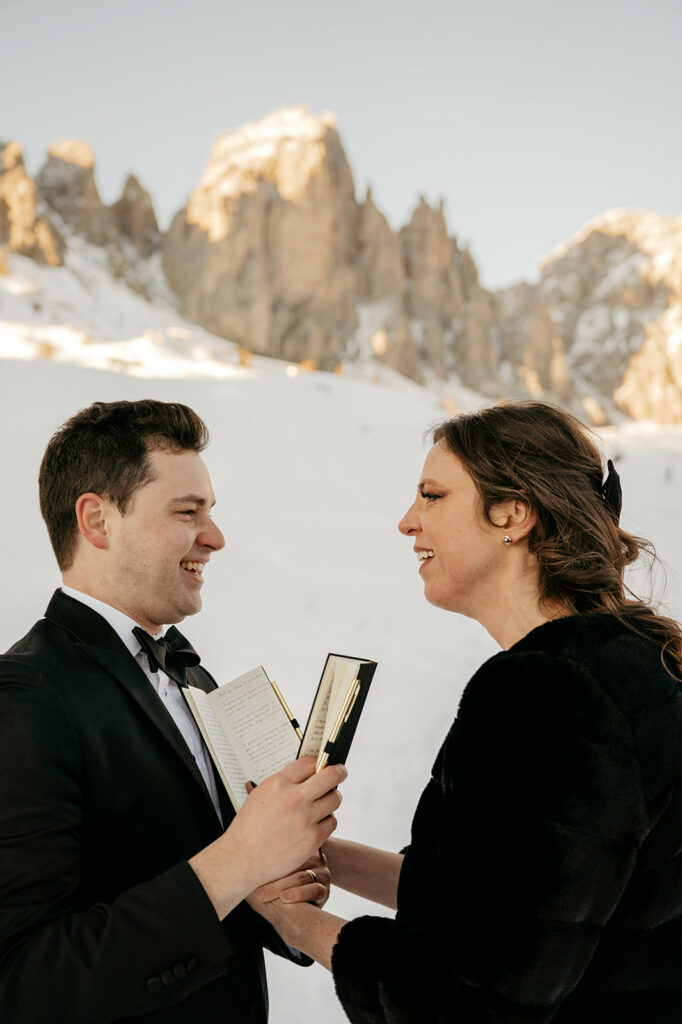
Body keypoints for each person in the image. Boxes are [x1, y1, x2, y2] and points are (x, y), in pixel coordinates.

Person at [247, 400, 682, 1023]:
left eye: (433, 496)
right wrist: (318, 853)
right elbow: (511, 896)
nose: (407, 522)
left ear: (512, 514)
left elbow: (467, 998)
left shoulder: (547, 692)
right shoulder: (635, 662)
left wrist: (288, 917)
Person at [0, 399, 345, 1024]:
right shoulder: (25, 695)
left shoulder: (194, 676)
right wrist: (241, 857)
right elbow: (25, 980)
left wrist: (279, 886)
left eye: (210, 512)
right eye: (188, 512)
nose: (215, 537)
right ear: (98, 521)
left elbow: (209, 889)